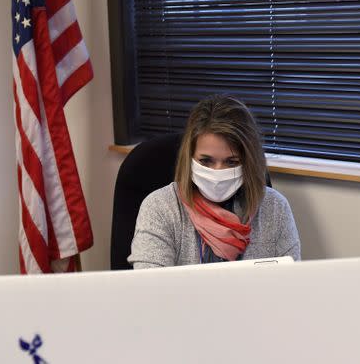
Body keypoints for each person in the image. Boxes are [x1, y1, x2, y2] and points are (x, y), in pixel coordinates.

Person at [128, 95, 301, 269]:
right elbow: (150, 289)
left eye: (232, 162)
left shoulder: (275, 208)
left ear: (248, 163)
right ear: (189, 158)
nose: (218, 172)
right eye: (206, 161)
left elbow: (291, 286)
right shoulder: (160, 208)